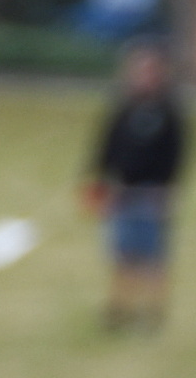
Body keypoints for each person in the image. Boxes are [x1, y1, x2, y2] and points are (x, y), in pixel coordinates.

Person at [79, 39, 190, 334]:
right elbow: (106, 146)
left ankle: (152, 312)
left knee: (153, 256)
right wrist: (97, 180)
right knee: (122, 254)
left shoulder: (169, 111)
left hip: (152, 191)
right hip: (122, 190)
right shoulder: (124, 108)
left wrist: (171, 188)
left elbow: (178, 153)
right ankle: (119, 308)